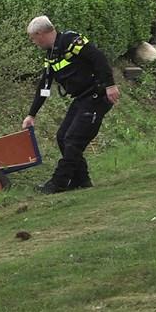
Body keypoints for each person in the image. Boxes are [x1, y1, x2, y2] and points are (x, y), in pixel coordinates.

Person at [22, 16, 121, 194]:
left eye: (33, 38)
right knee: (62, 137)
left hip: (96, 95)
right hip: (82, 98)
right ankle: (81, 180)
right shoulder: (52, 54)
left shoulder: (71, 41)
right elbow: (44, 86)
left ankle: (58, 183)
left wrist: (110, 85)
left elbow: (98, 58)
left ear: (40, 34)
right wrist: (32, 114)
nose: (33, 42)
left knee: (73, 140)